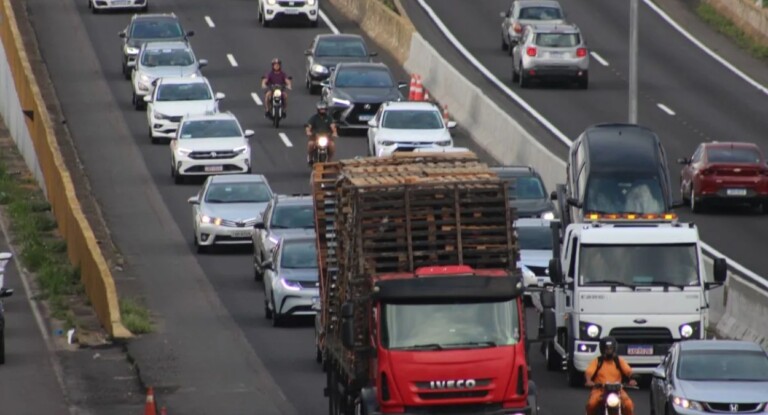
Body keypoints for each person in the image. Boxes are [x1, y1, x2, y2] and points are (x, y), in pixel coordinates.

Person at [585, 337, 636, 415]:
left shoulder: (618, 360)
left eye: (610, 349)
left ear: (614, 349)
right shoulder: (598, 361)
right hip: (600, 390)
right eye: (606, 349)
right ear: (602, 349)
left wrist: (632, 379)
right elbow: (589, 372)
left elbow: (628, 371)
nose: (609, 351)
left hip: (618, 390)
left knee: (628, 405)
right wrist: (588, 381)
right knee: (591, 404)